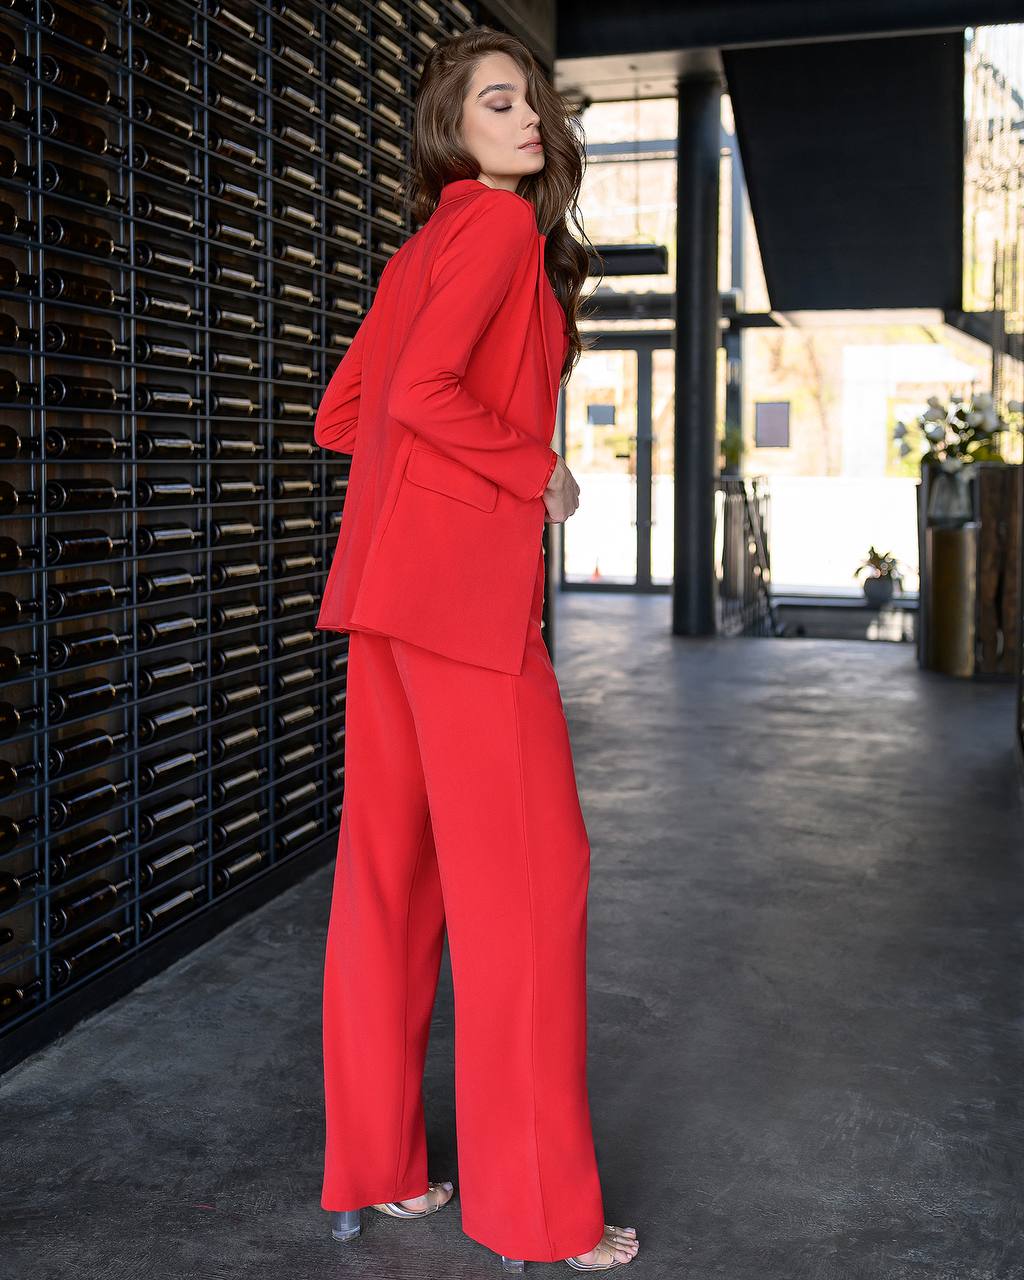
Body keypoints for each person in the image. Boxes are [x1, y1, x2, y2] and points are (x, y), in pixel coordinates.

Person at [312, 25, 640, 1274]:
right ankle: (538, 1212)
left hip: (383, 604)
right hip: (460, 610)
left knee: (386, 883)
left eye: (534, 102)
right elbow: (411, 402)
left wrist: (427, 478)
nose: (527, 119)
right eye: (497, 102)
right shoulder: (499, 231)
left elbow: (349, 412)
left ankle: (375, 1171)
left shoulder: (420, 250)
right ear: (450, 125)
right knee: (533, 888)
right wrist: (533, 469)